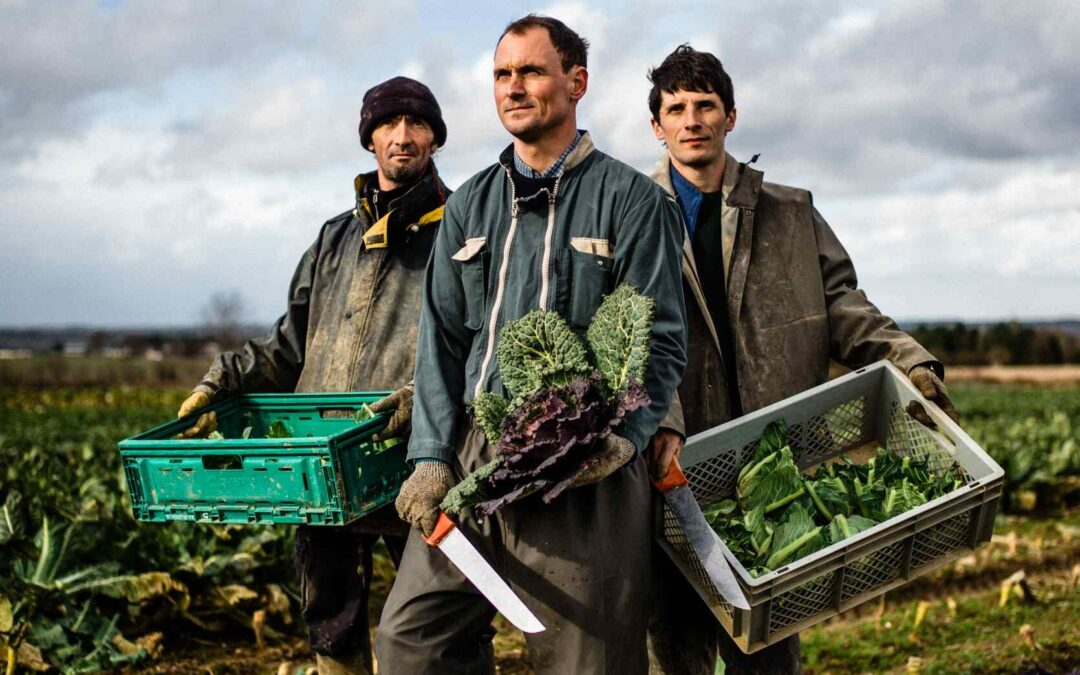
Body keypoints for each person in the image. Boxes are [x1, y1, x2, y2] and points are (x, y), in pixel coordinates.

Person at [375, 15, 687, 675]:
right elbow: (441, 337)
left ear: (577, 83)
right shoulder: (472, 205)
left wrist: (622, 435)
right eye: (501, 75)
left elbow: (659, 341)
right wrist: (430, 455)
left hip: (581, 472)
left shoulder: (631, 200)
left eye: (531, 72)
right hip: (474, 460)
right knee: (411, 645)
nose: (513, 87)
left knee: (587, 662)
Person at [642, 45, 959, 675]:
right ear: (657, 126)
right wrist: (660, 419)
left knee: (768, 647)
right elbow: (625, 337)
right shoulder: (630, 214)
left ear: (731, 116)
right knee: (675, 644)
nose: (692, 120)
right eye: (676, 108)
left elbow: (845, 304)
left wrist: (911, 363)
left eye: (705, 105)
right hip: (675, 463)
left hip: (776, 461)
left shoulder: (789, 210)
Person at [175, 76, 452, 675]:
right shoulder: (334, 238)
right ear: (369, 138)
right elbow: (288, 343)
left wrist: (421, 400)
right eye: (388, 124)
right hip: (319, 464)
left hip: (410, 456)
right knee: (331, 617)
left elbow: (474, 343)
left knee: (434, 622)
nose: (402, 136)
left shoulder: (456, 230)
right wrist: (223, 379)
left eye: (416, 124)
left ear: (434, 137)